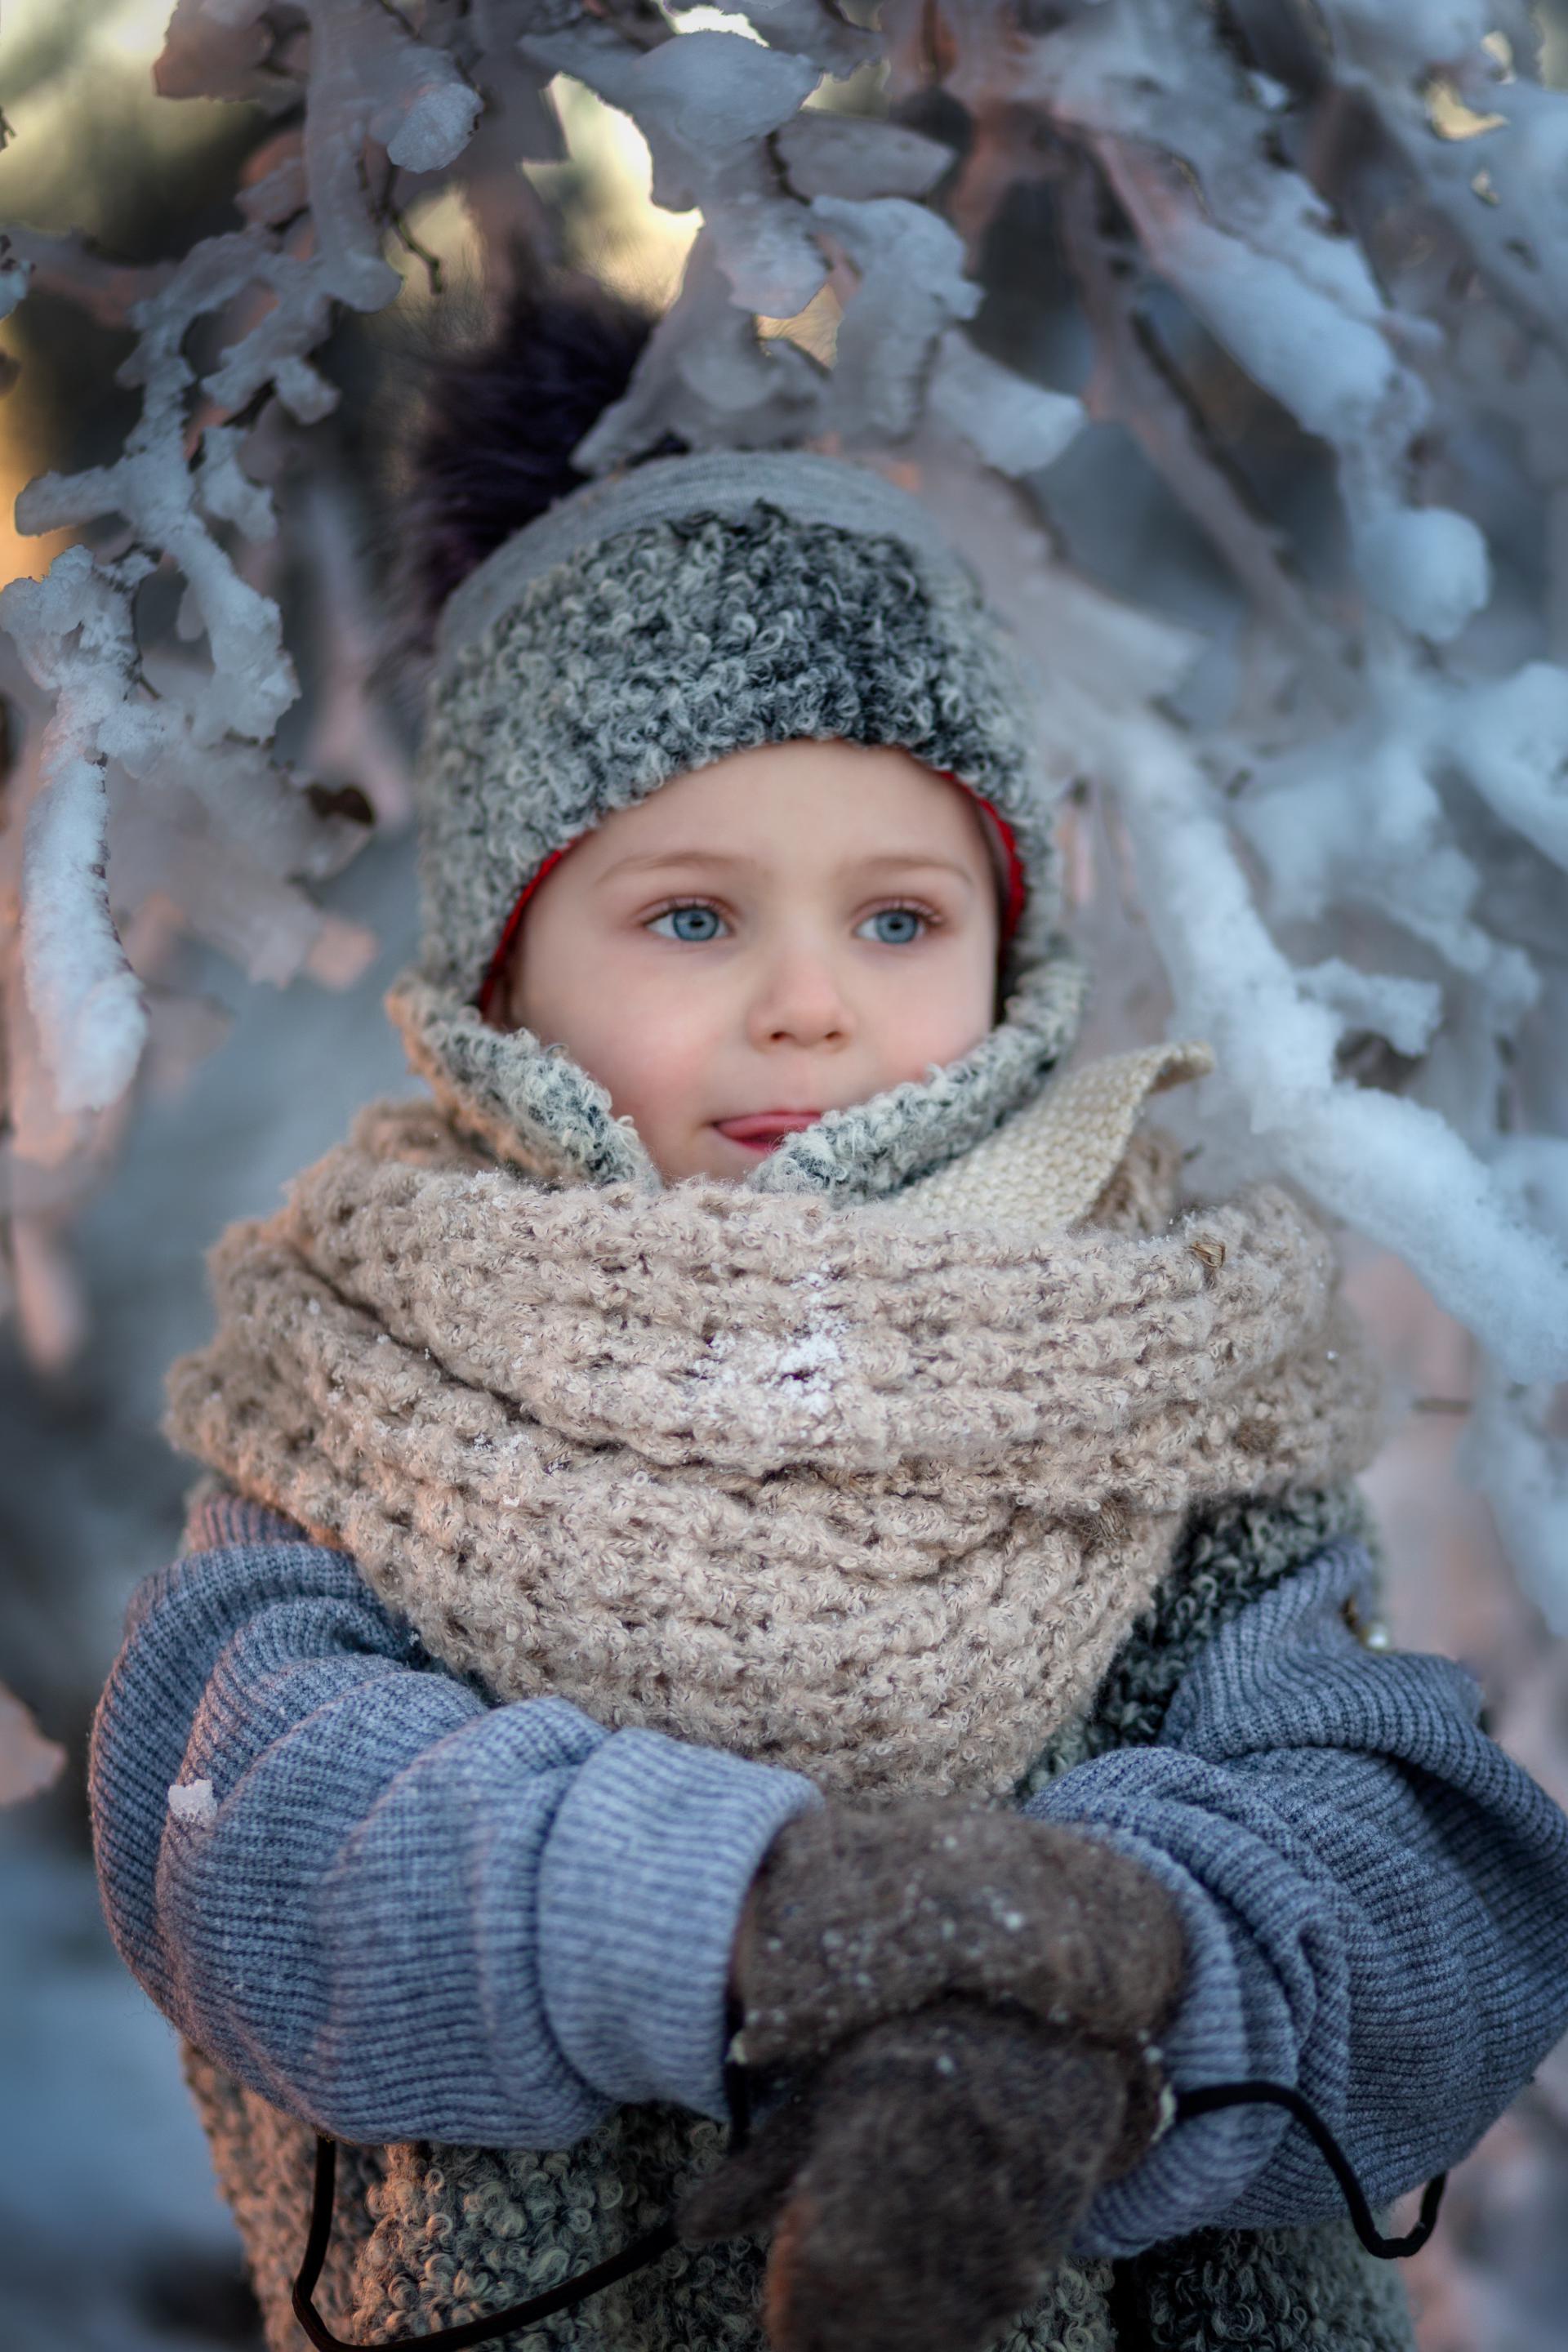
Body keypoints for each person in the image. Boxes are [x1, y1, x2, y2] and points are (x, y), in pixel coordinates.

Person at [88, 281, 1568, 2352]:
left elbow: (1428, 1883)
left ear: (1009, 942)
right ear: (503, 974)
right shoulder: (377, 1386)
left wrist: (1110, 1976)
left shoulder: (1156, 1366)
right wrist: (733, 1916)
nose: (810, 999)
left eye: (899, 915)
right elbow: (254, 1830)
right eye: (693, 916)